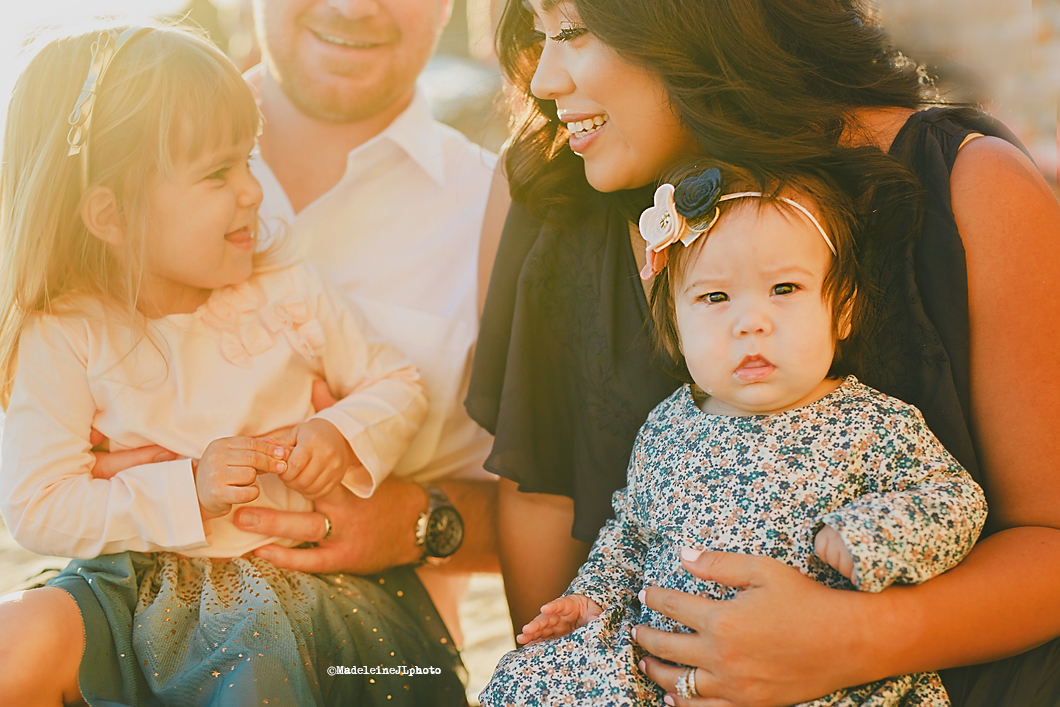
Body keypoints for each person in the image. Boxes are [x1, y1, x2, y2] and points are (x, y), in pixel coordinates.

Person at [465, 0, 1060, 703]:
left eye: (571, 32)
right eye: (537, 34)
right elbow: (542, 505)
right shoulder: (545, 194)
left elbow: (1048, 539)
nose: (543, 79)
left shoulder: (972, 187)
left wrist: (854, 638)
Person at [0, 23, 465, 706]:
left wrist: (341, 433)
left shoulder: (285, 286)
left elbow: (394, 382)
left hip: (292, 586)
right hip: (136, 583)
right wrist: (188, 485)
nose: (252, 192)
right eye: (219, 173)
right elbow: (38, 506)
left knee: (258, 669)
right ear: (109, 214)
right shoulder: (66, 332)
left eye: (248, 160)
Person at [479, 166, 988, 706]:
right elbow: (630, 533)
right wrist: (592, 598)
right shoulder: (669, 425)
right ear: (675, 324)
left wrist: (870, 537)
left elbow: (955, 499)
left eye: (784, 288)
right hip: (668, 674)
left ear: (842, 310)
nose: (750, 321)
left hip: (820, 676)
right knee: (538, 678)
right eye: (715, 297)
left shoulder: (874, 423)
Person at [90, 0, 509, 648]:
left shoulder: (499, 211)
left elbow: (573, 515)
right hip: (114, 613)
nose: (354, 7)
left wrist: (415, 521)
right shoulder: (105, 161)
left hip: (365, 660)